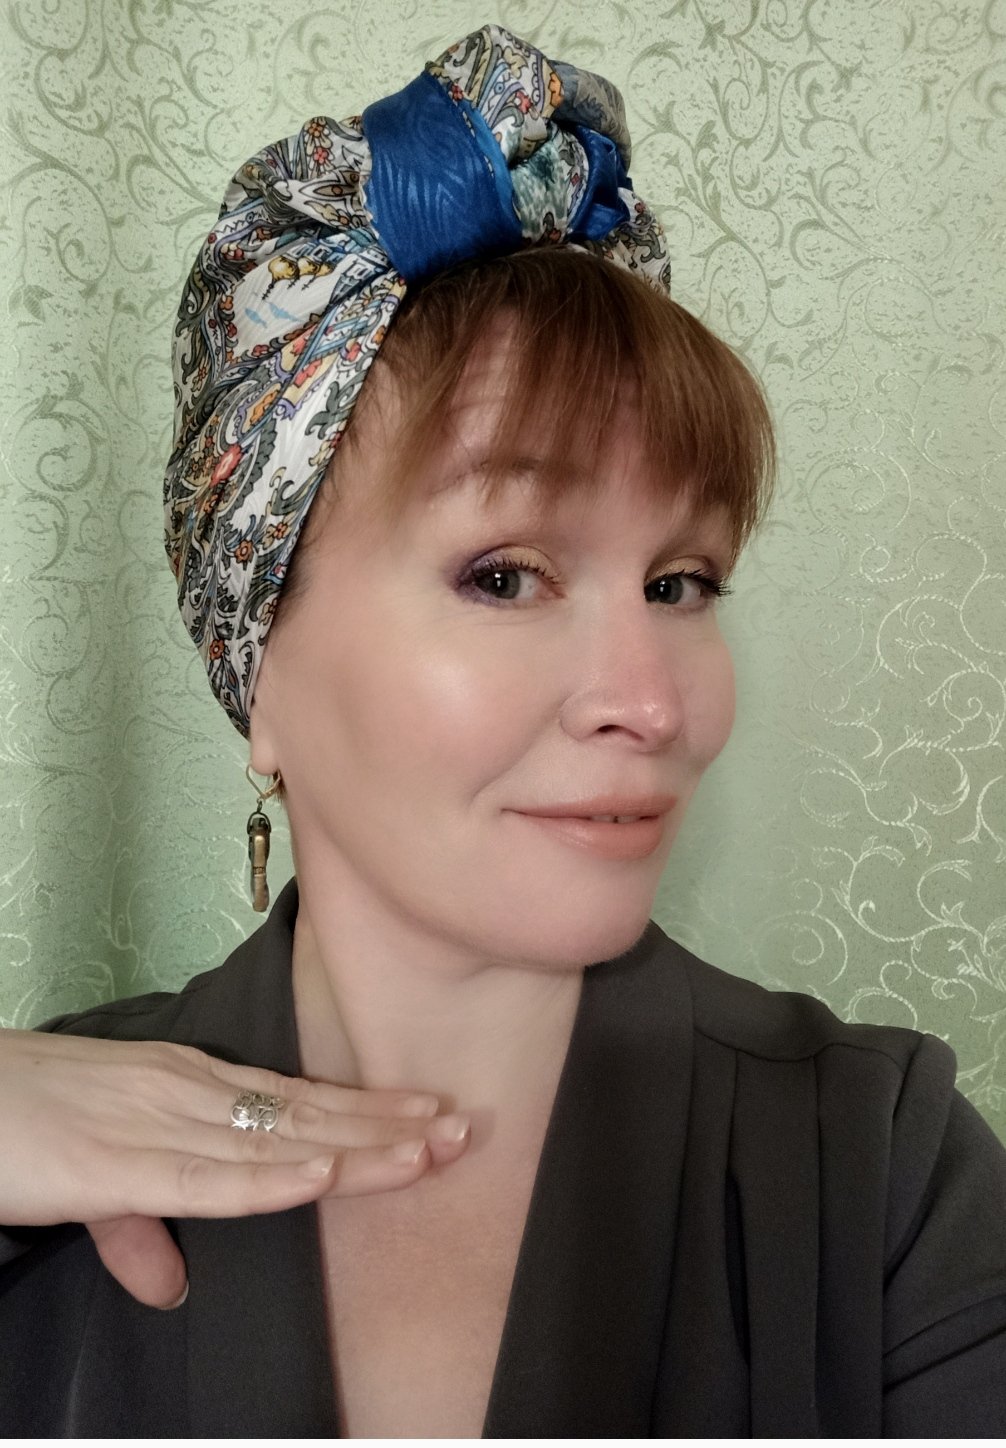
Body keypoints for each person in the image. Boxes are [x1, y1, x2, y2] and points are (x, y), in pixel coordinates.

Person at [2, 21, 1005, 1439]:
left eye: (680, 583)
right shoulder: (36, 1169)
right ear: (256, 660)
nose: (653, 704)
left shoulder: (879, 1167)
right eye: (506, 577)